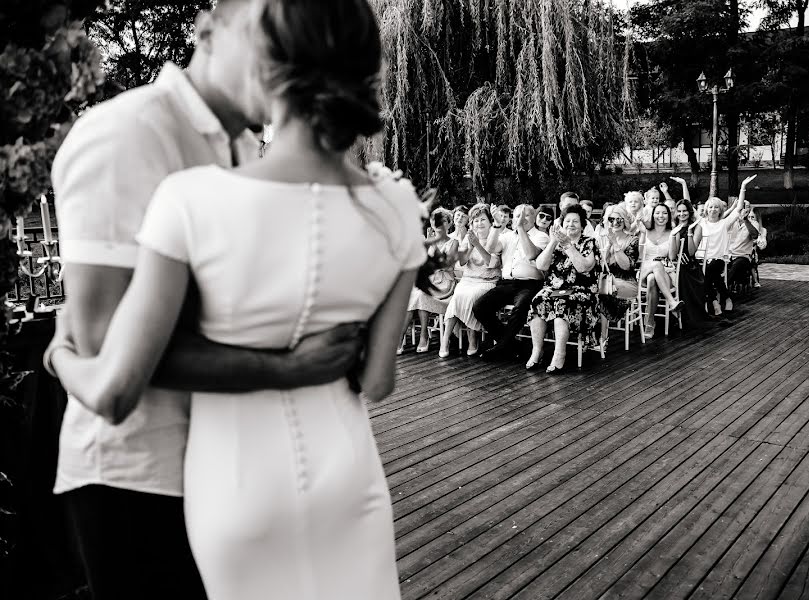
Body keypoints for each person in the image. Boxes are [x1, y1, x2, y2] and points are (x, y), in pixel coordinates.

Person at [46, 2, 424, 599]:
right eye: (267, 31)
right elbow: (100, 345)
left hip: (244, 469)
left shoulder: (245, 156)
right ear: (207, 30)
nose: (278, 51)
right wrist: (290, 368)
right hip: (141, 476)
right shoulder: (126, 134)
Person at [526, 205, 598, 373]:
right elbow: (541, 265)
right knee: (539, 300)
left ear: (582, 225)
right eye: (567, 221)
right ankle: (537, 350)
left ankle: (559, 354)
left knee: (562, 305)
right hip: (554, 289)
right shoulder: (556, 243)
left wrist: (568, 245)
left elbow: (582, 268)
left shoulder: (589, 242)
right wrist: (553, 241)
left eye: (575, 221)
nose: (571, 224)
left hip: (582, 291)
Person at [473, 204, 549, 360]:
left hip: (529, 284)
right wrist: (496, 225)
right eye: (518, 216)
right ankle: (515, 346)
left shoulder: (541, 236)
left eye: (526, 215)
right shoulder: (507, 236)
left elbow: (530, 254)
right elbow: (490, 248)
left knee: (520, 309)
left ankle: (500, 348)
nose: (521, 219)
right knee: (479, 307)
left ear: (534, 218)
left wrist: (520, 229)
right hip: (507, 283)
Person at [439, 203, 500, 357]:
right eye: (475, 220)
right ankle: (445, 340)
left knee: (471, 297)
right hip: (468, 280)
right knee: (457, 297)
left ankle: (473, 338)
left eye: (482, 220)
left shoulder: (496, 239)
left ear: (490, 222)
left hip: (486, 281)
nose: (479, 223)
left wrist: (477, 244)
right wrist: (471, 245)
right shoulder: (468, 237)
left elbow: (491, 264)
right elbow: (462, 262)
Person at [700, 174, 757, 315]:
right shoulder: (701, 223)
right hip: (702, 259)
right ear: (706, 209)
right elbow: (687, 205)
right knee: (708, 274)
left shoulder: (724, 224)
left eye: (716, 207)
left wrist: (743, 187)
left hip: (718, 259)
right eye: (710, 207)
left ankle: (714, 301)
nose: (713, 210)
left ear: (720, 210)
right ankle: (721, 299)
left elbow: (738, 209)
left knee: (708, 271)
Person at [403, 207, 458, 353]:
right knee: (411, 296)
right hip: (430, 279)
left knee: (421, 295)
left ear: (448, 223)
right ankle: (401, 337)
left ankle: (423, 336)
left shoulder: (453, 242)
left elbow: (447, 266)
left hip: (445, 283)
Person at [595, 204, 640, 353]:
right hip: (608, 282)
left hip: (627, 283)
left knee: (601, 294)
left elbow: (626, 266)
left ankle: (602, 338)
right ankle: (592, 336)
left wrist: (615, 244)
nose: (615, 222)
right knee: (593, 292)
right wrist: (608, 245)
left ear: (625, 221)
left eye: (619, 219)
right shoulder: (603, 239)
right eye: (611, 219)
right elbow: (602, 266)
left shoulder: (632, 240)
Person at [639, 204, 684, 338]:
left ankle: (649, 322)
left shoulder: (673, 232)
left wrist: (672, 237)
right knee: (655, 265)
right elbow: (640, 256)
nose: (661, 216)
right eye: (658, 213)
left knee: (652, 278)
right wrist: (641, 234)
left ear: (669, 216)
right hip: (645, 270)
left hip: (664, 273)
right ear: (653, 215)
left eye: (664, 213)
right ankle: (672, 302)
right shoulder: (646, 231)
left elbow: (671, 257)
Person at [671, 199, 708, 325]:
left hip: (690, 265)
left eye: (684, 211)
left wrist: (690, 232)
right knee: (677, 272)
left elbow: (692, 252)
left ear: (689, 212)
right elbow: (672, 252)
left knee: (682, 273)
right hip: (675, 263)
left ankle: (686, 314)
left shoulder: (698, 227)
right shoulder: (673, 226)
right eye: (679, 211)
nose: (682, 214)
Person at [726, 199, 761, 290]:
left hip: (743, 256)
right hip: (728, 255)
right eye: (742, 207)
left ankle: (723, 288)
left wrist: (745, 220)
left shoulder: (753, 223)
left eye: (747, 207)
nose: (744, 210)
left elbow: (755, 235)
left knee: (738, 264)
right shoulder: (731, 223)